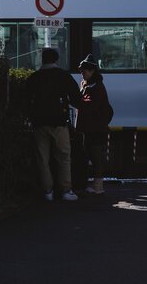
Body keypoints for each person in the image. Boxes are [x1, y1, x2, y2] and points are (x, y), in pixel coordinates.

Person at [24, 47, 82, 201]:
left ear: (42, 60)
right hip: (59, 123)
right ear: (56, 60)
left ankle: (47, 191)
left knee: (42, 159)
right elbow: (77, 99)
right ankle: (65, 190)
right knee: (63, 156)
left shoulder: (34, 78)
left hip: (39, 123)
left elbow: (24, 101)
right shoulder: (63, 76)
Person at [75, 54, 113, 195]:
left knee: (96, 156)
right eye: (81, 71)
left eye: (84, 71)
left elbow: (90, 106)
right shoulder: (88, 84)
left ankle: (98, 187)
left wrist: (76, 101)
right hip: (90, 127)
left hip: (95, 128)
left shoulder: (96, 87)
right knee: (91, 155)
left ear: (92, 71)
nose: (82, 74)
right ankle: (94, 185)